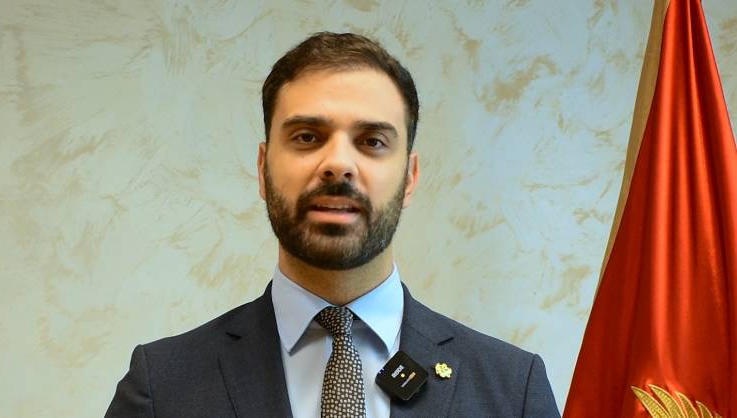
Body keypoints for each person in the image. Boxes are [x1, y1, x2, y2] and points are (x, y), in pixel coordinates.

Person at [105, 32, 560, 418]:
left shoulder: (512, 389)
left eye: (372, 141)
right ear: (263, 168)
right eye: (307, 137)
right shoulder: (162, 386)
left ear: (410, 177)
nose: (338, 163)